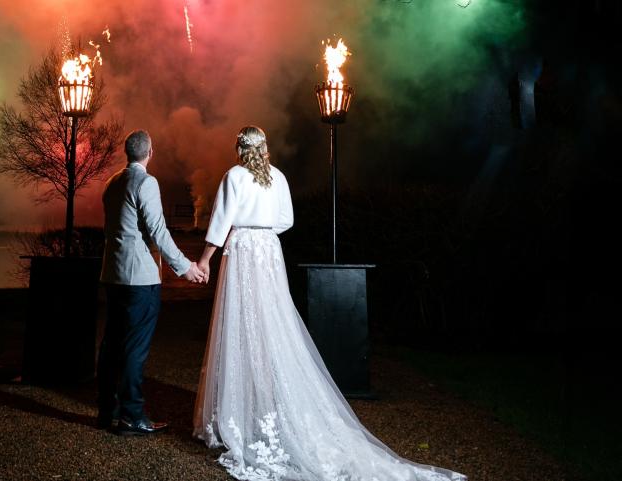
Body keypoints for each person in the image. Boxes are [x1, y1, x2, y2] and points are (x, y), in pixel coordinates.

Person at [193, 126, 467, 480]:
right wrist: (265, 233)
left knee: (241, 322)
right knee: (271, 321)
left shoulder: (234, 176)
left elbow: (221, 220)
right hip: (268, 252)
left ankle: (240, 409)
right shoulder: (277, 177)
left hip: (244, 249)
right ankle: (261, 403)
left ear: (239, 149)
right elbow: (286, 220)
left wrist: (205, 259)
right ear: (265, 149)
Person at [98, 129, 206, 436]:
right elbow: (158, 231)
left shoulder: (111, 183)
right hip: (139, 278)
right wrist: (184, 267)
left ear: (127, 152)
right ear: (150, 152)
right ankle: (131, 416)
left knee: (111, 344)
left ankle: (107, 410)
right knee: (134, 348)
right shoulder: (145, 182)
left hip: (112, 274)